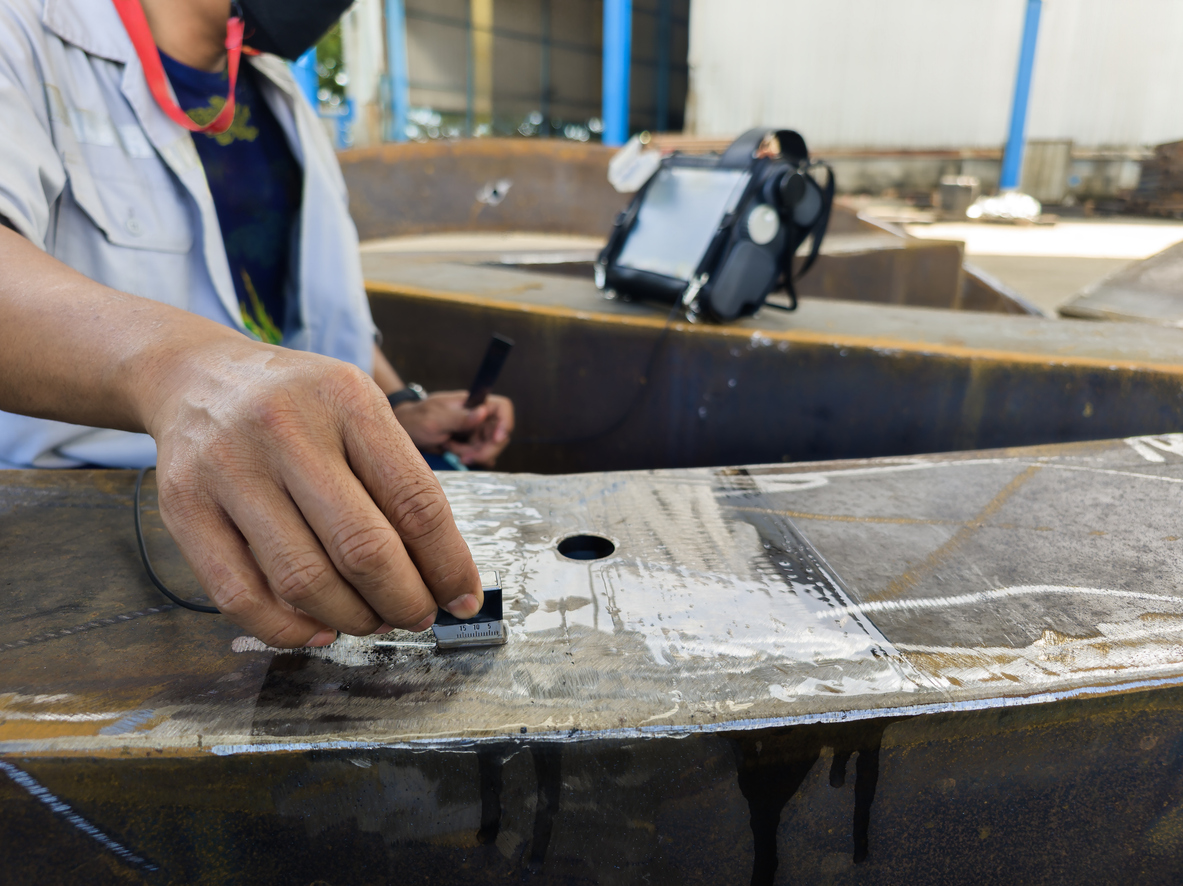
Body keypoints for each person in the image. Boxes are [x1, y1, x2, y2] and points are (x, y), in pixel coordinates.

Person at [0, 0, 514, 647]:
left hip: (294, 506)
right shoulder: (20, 34)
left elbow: (308, 307)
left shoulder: (276, 95)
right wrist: (176, 372)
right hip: (84, 524)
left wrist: (396, 404)